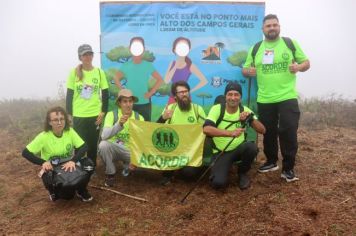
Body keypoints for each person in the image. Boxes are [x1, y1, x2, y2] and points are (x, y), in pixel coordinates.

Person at [242, 14, 310, 182]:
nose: (272, 28)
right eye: (268, 26)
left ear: (279, 26)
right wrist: (248, 71)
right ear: (263, 29)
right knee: (268, 132)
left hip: (287, 96)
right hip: (264, 98)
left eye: (275, 25)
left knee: (288, 131)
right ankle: (271, 161)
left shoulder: (289, 43)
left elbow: (307, 63)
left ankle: (288, 169)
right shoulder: (256, 48)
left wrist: (298, 67)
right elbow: (245, 68)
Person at [22, 106, 94, 202]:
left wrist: (73, 161)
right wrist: (43, 162)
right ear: (49, 122)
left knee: (88, 164)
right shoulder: (44, 136)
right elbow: (25, 153)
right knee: (68, 196)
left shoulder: (70, 131)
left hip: (69, 165)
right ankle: (54, 191)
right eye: (55, 120)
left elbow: (84, 147)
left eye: (62, 119)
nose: (60, 122)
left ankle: (81, 190)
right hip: (53, 168)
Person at [203, 82, 266, 190]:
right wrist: (230, 133)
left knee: (251, 147)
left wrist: (250, 119)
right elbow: (206, 129)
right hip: (221, 152)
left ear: (240, 97)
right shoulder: (217, 109)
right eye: (230, 94)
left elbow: (262, 130)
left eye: (236, 94)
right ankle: (221, 168)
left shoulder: (245, 110)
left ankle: (242, 173)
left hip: (238, 150)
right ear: (225, 96)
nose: (233, 98)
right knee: (218, 184)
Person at [66, 44, 109, 168]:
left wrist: (103, 112)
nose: (88, 56)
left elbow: (105, 93)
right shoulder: (74, 73)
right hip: (78, 115)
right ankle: (77, 167)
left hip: (95, 115)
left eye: (90, 54)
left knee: (92, 144)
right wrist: (69, 114)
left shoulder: (99, 73)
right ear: (80, 57)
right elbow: (69, 94)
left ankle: (91, 167)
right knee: (79, 144)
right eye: (85, 54)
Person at [157, 80, 206, 185]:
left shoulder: (198, 109)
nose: (184, 94)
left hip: (192, 150)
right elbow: (156, 130)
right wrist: (163, 118)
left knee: (188, 175)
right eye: (181, 92)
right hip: (173, 150)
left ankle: (185, 169)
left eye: (186, 91)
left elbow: (206, 129)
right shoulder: (170, 109)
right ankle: (168, 174)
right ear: (175, 96)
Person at [98, 89, 144, 187]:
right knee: (103, 145)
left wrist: (136, 160)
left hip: (129, 150)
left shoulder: (139, 118)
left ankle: (128, 166)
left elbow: (142, 141)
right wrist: (119, 124)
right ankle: (110, 173)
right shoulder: (111, 114)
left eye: (130, 101)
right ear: (119, 103)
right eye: (125, 101)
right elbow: (104, 136)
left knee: (141, 167)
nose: (128, 104)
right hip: (114, 148)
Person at [113, 37, 163, 121]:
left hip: (145, 102)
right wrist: (123, 91)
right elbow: (116, 78)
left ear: (143, 49)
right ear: (130, 48)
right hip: (130, 103)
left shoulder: (147, 65)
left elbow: (160, 79)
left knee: (145, 127)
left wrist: (151, 93)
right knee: (130, 126)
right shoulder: (126, 65)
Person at [164, 37, 208, 104]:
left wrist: (190, 91)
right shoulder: (172, 64)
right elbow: (166, 81)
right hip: (173, 96)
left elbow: (204, 81)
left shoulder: (189, 65)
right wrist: (175, 65)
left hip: (185, 97)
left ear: (188, 49)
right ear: (175, 49)